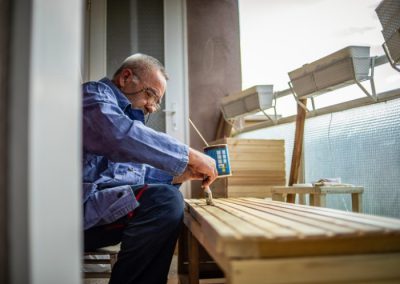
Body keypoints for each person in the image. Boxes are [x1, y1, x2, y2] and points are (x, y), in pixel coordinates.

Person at [82, 53, 218, 284]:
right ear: (126, 77)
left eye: (157, 101)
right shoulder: (92, 96)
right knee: (163, 202)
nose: (153, 108)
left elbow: (122, 173)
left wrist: (177, 176)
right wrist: (189, 155)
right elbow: (119, 135)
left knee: (167, 195)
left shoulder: (117, 113)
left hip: (91, 208)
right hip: (70, 213)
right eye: (151, 95)